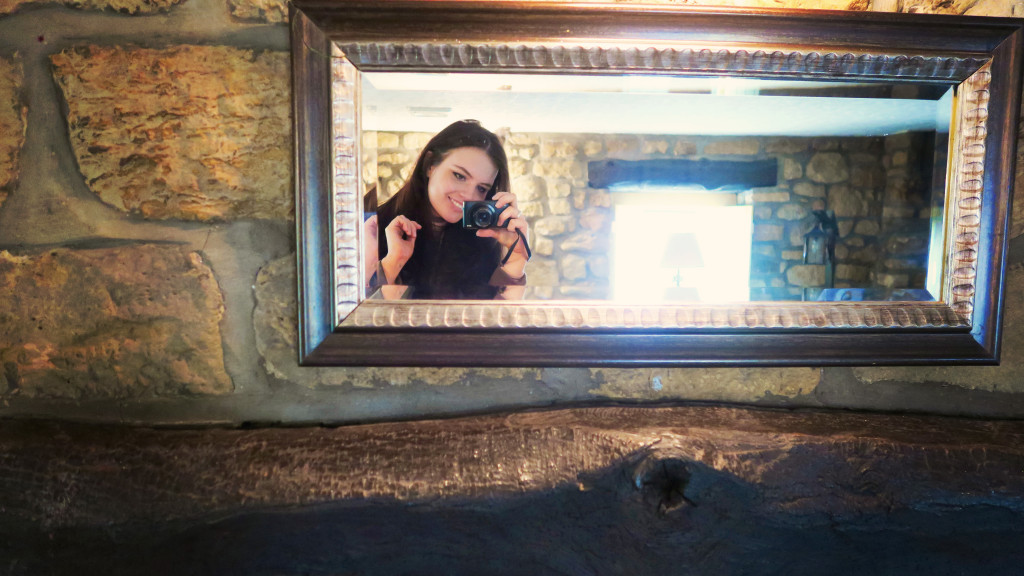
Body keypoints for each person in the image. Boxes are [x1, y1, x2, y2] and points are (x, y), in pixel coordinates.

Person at [364, 120, 530, 299]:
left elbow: (494, 316)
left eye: (481, 188)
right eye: (459, 176)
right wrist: (392, 264)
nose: (469, 195)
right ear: (430, 165)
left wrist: (517, 260)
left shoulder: (481, 244)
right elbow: (355, 312)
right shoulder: (370, 228)